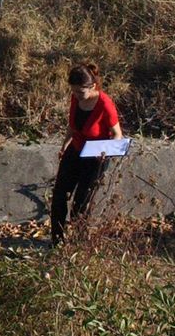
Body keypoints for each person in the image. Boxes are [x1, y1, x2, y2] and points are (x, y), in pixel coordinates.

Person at [51, 62, 123, 245]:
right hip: (75, 149)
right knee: (60, 194)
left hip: (95, 157)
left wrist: (105, 151)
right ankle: (56, 240)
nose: (76, 96)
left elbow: (117, 135)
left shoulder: (105, 104)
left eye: (80, 92)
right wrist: (65, 145)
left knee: (80, 202)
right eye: (73, 92)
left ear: (92, 86)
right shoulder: (77, 98)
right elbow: (72, 125)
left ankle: (78, 242)